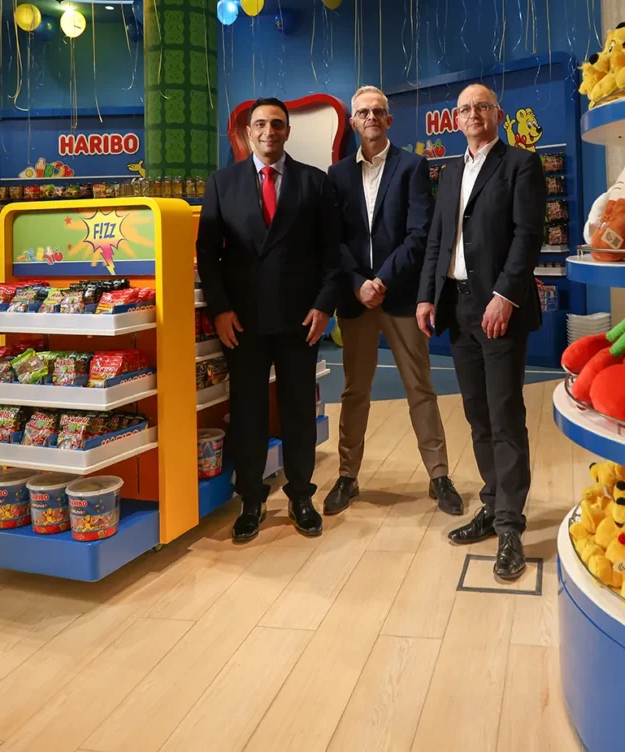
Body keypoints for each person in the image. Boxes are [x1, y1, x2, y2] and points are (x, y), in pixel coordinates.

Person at [417, 83, 546, 581]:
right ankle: (492, 505)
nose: (473, 114)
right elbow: (437, 240)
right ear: (456, 119)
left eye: (482, 106)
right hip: (458, 307)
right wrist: (427, 295)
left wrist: (506, 295)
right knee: (477, 415)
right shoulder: (450, 171)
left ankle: (511, 526)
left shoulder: (521, 165)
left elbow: (528, 236)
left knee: (505, 414)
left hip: (499, 309)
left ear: (498, 113)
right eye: (465, 109)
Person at [196, 97, 340, 544]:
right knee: (248, 413)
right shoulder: (222, 183)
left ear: (287, 131)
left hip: (301, 319)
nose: (268, 131)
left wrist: (324, 305)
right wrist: (220, 308)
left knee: (298, 412)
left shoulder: (315, 183)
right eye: (260, 124)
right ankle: (251, 500)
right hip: (242, 322)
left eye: (277, 124)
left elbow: (332, 251)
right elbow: (208, 253)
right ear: (247, 132)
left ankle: (300, 496)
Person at [324, 86, 463, 518]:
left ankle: (439, 476)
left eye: (377, 111)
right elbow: (334, 241)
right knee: (354, 391)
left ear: (389, 119)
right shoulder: (337, 175)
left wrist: (381, 280)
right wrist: (357, 284)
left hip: (399, 296)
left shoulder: (412, 166)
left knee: (420, 388)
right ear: (352, 122)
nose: (370, 117)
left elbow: (420, 234)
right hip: (356, 301)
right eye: (363, 112)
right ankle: (347, 476)